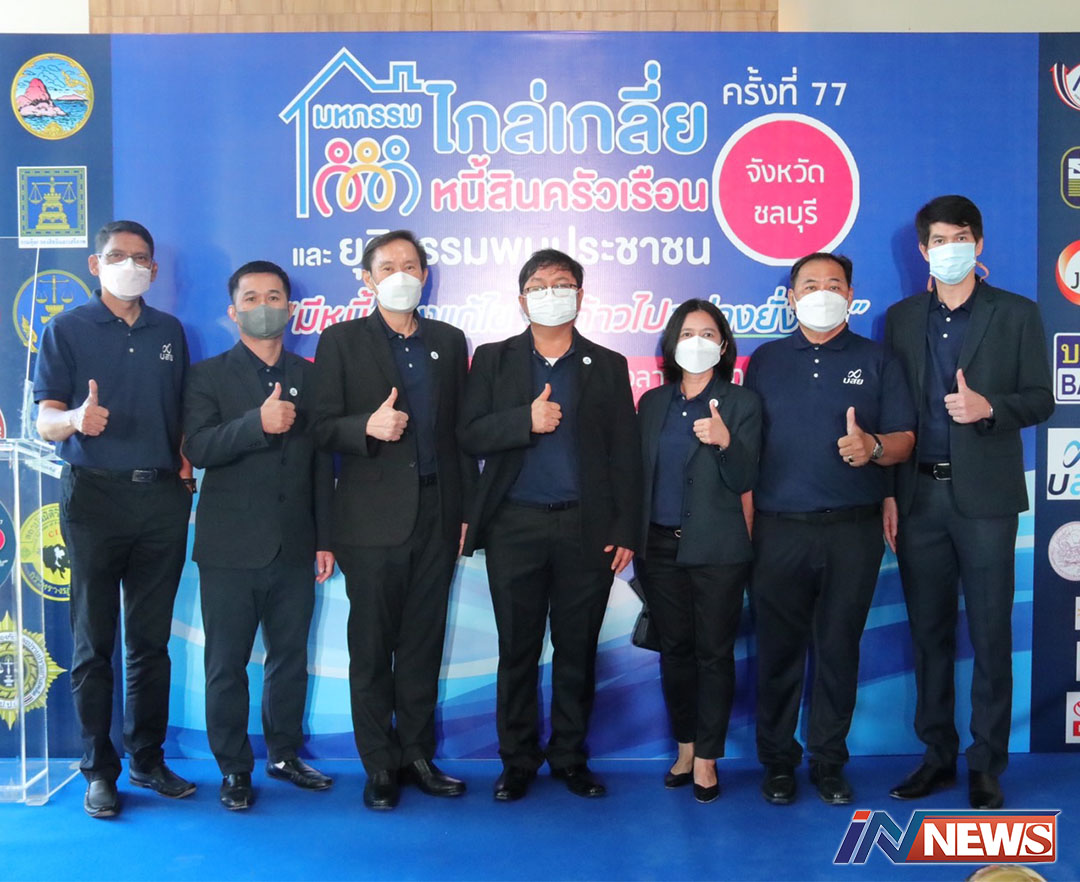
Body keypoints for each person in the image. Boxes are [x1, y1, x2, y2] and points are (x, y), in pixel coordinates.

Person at [884, 196, 1054, 810]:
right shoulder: (902, 319)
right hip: (918, 495)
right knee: (928, 634)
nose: (949, 248)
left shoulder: (1017, 313)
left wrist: (990, 408)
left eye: (960, 237)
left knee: (989, 632)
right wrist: (889, 494)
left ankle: (986, 764)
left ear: (978, 244)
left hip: (986, 500)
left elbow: (1041, 399)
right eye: (938, 240)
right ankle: (936, 756)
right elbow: (892, 413)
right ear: (922, 250)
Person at [458, 248, 642, 802]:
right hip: (514, 526)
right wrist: (524, 420)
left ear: (580, 296)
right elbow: (469, 433)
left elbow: (626, 454)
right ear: (522, 299)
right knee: (516, 650)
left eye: (562, 283)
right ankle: (517, 761)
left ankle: (569, 757)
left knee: (576, 650)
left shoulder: (607, 364)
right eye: (538, 285)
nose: (550, 293)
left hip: (586, 530)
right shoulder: (493, 359)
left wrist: (626, 529)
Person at [34, 220, 195, 818]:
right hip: (94, 501)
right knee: (94, 643)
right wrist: (75, 419)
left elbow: (182, 415)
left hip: (161, 500)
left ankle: (147, 759)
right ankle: (99, 771)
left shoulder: (169, 331)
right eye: (118, 255)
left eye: (142, 257)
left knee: (150, 643)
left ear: (154, 268)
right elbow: (43, 421)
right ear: (95, 263)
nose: (131, 265)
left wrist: (186, 474)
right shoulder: (66, 328)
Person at [311, 230, 475, 811]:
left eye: (411, 265)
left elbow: (459, 434)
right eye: (387, 267)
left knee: (423, 643)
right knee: (373, 645)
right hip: (370, 520)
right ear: (367, 278)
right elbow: (318, 427)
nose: (400, 275)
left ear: (425, 275)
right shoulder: (340, 341)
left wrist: (465, 512)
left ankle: (418, 755)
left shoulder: (449, 341)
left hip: (438, 514)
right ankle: (379, 763)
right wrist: (364, 427)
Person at [745, 252, 916, 806]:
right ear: (791, 298)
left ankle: (828, 761)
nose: (823, 293)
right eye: (811, 284)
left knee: (839, 650)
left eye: (834, 284)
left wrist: (873, 448)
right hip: (778, 530)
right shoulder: (766, 361)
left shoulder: (877, 359)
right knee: (778, 653)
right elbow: (747, 447)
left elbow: (904, 440)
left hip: (852, 530)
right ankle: (777, 762)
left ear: (851, 296)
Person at [182, 260, 335, 811]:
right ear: (233, 311)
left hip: (295, 544)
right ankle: (233, 768)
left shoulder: (311, 375)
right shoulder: (207, 375)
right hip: (229, 547)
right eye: (251, 298)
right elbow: (198, 447)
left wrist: (324, 537)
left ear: (290, 309)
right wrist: (256, 424)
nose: (263, 306)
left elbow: (321, 463)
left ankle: (284, 754)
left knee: (289, 657)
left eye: (273, 297)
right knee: (226, 663)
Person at [636, 299, 761, 804]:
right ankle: (685, 748)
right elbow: (638, 474)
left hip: (718, 549)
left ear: (724, 345)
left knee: (713, 654)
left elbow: (747, 477)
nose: (697, 342)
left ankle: (708, 757)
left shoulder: (742, 403)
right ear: (671, 344)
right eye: (688, 333)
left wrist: (726, 442)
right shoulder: (652, 403)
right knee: (676, 652)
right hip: (658, 548)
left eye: (708, 334)